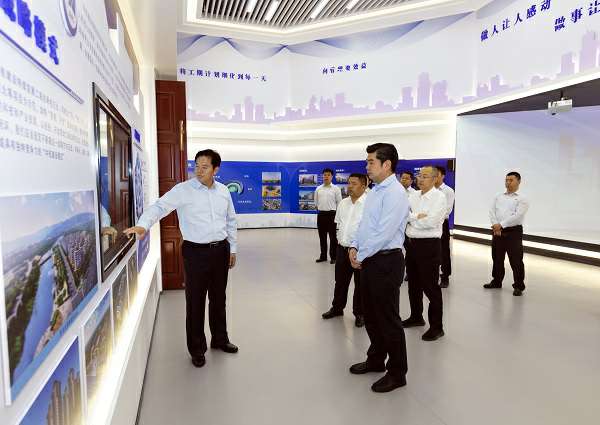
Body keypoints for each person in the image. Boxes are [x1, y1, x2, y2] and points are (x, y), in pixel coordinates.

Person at [124, 149, 238, 368]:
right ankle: (197, 349)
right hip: (196, 252)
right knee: (195, 302)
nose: (199, 171)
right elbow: (160, 207)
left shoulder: (224, 191)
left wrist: (232, 249)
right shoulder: (183, 190)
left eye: (205, 167)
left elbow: (231, 220)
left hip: (220, 250)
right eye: (197, 166)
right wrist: (143, 225)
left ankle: (220, 339)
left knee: (218, 298)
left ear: (216, 169)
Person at [348, 143, 409, 393]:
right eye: (367, 162)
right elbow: (365, 224)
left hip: (386, 261)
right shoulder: (374, 191)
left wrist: (360, 255)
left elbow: (384, 232)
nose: (367, 166)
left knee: (388, 319)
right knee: (371, 316)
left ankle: (397, 372)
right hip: (369, 259)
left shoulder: (395, 193)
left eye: (371, 162)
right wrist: (354, 245)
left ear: (387, 164)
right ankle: (375, 360)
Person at [403, 166, 447, 341]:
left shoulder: (439, 197)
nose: (420, 179)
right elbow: (404, 215)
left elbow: (432, 222)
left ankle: (437, 327)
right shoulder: (413, 195)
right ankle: (416, 317)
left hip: (429, 246)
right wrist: (416, 217)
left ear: (435, 179)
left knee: (430, 287)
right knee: (413, 284)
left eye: (425, 176)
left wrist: (412, 219)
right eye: (419, 175)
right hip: (411, 245)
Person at [322, 173, 367, 327]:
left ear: (363, 186)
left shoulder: (369, 205)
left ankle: (359, 313)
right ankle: (337, 308)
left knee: (360, 284)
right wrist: (340, 242)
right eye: (349, 183)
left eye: (354, 183)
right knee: (340, 281)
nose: (350, 186)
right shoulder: (343, 203)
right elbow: (338, 225)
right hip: (342, 248)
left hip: (361, 251)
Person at [484, 171, 529, 296]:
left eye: (511, 180)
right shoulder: (498, 196)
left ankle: (519, 285)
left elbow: (518, 215)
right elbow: (491, 211)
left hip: (513, 231)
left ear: (518, 181)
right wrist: (495, 225)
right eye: (506, 180)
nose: (508, 182)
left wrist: (501, 225)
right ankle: (497, 281)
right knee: (497, 257)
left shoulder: (522, 198)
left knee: (516, 260)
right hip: (497, 230)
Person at [315, 168, 342, 264]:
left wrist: (337, 216)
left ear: (332, 176)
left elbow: (339, 203)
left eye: (328, 175)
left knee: (333, 237)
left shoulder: (336, 189)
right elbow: (316, 202)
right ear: (322, 176)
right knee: (322, 237)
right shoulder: (318, 189)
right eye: (324, 175)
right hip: (321, 215)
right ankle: (323, 256)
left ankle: (333, 257)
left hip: (332, 215)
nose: (326, 177)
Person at [434, 166, 455, 288]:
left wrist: (431, 216)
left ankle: (445, 276)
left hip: (442, 223)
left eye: (437, 174)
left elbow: (447, 210)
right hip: (429, 224)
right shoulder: (429, 189)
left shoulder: (448, 191)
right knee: (431, 250)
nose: (434, 177)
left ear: (443, 176)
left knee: (444, 251)